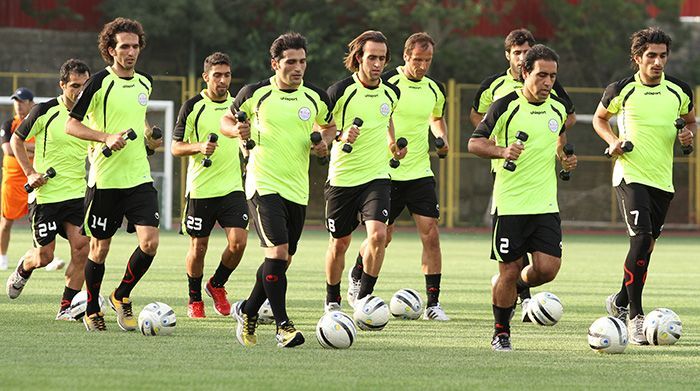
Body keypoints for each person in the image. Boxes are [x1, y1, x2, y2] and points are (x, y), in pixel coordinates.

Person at [221, 32, 333, 348]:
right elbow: (225, 121)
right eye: (291, 62)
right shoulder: (254, 94)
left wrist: (324, 144)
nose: (298, 68)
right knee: (278, 253)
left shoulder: (316, 98)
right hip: (262, 184)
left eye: (302, 61)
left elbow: (329, 126)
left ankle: (249, 310)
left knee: (281, 260)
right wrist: (236, 131)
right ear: (275, 63)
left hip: (297, 189)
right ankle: (283, 326)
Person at [468, 44, 577, 351]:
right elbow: (475, 143)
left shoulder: (557, 108)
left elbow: (558, 142)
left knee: (547, 270)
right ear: (525, 72)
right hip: (511, 204)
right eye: (541, 75)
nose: (548, 82)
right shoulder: (505, 105)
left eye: (553, 76)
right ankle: (501, 332)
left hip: (545, 204)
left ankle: (513, 287)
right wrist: (502, 151)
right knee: (509, 269)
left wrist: (564, 159)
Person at [593, 27, 695, 345]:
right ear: (637, 58)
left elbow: (690, 121)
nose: (658, 61)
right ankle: (635, 317)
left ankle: (620, 300)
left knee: (647, 246)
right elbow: (599, 119)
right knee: (641, 241)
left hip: (662, 180)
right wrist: (614, 141)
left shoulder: (680, 91)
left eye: (663, 55)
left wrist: (688, 137)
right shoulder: (621, 89)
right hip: (630, 175)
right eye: (651, 55)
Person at [65, 17, 162, 332]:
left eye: (135, 46)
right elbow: (72, 125)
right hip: (106, 180)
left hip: (139, 178)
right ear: (110, 49)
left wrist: (149, 137)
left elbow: (139, 118)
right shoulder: (97, 82)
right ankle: (92, 308)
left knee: (149, 242)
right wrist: (105, 137)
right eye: (124, 46)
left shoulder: (145, 82)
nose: (131, 52)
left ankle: (121, 295)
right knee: (100, 248)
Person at [347, 32, 449, 320]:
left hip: (420, 172)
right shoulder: (388, 82)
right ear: (406, 56)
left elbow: (437, 117)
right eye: (417, 59)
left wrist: (441, 136)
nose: (422, 66)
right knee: (383, 237)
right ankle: (358, 273)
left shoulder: (435, 89)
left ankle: (433, 304)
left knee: (431, 235)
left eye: (427, 60)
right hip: (386, 173)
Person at [324, 30, 406, 312]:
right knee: (340, 243)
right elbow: (321, 128)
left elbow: (387, 120)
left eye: (382, 58)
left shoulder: (391, 92)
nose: (378, 64)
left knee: (379, 236)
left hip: (378, 176)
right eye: (372, 57)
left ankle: (364, 300)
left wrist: (393, 143)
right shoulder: (339, 91)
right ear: (359, 58)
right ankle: (332, 301)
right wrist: (340, 136)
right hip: (343, 178)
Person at [5, 60, 91, 320]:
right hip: (45, 196)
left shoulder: (91, 113)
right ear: (62, 85)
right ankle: (24, 266)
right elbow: (15, 140)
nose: (79, 91)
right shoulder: (44, 110)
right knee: (45, 256)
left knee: (82, 247)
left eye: (85, 85)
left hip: (76, 194)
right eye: (74, 85)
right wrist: (30, 173)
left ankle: (65, 307)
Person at [171, 52, 248, 319]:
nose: (223, 80)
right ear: (206, 77)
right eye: (217, 75)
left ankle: (216, 284)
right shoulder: (192, 106)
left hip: (232, 187)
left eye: (227, 75)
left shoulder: (238, 106)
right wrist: (199, 147)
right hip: (201, 189)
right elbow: (175, 147)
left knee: (238, 242)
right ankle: (194, 299)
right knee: (198, 247)